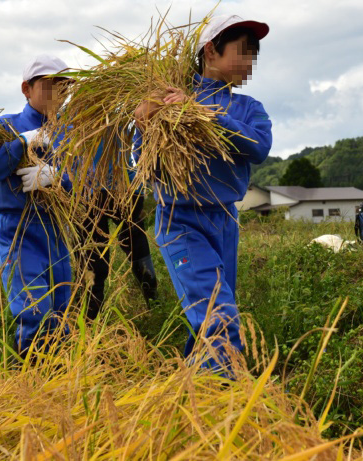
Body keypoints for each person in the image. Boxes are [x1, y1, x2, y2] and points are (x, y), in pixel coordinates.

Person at [133, 15, 272, 373]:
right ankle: (223, 408)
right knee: (218, 318)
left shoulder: (247, 109)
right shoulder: (164, 102)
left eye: (254, 55)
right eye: (244, 52)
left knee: (210, 316)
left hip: (225, 219)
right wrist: (143, 125)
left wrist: (203, 114)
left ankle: (185, 396)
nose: (250, 63)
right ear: (211, 50)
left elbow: (258, 146)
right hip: (181, 221)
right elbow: (142, 164)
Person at [0, 55, 72, 357]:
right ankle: (31, 383)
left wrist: (58, 178)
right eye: (47, 86)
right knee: (34, 310)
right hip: (19, 228)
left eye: (63, 86)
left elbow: (87, 178)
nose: (57, 93)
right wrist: (20, 143)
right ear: (26, 89)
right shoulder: (6, 127)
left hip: (57, 229)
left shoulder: (71, 132)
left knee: (62, 311)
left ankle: (59, 383)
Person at [78, 140, 158, 320]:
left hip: (121, 188)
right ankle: (91, 320)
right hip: (91, 192)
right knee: (95, 256)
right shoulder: (69, 118)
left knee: (134, 245)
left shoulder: (72, 117)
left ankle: (153, 302)